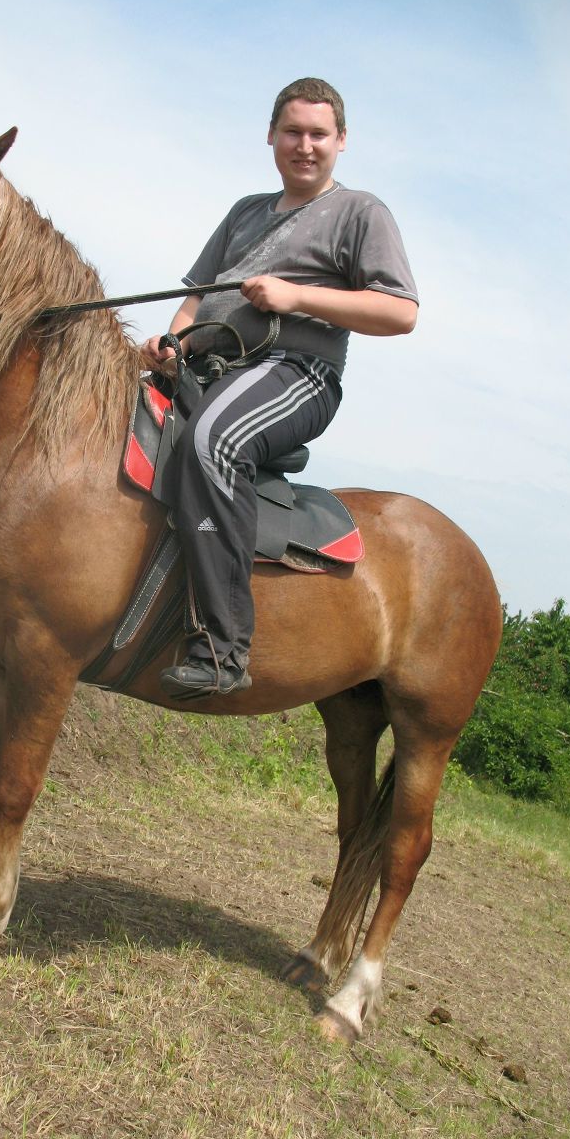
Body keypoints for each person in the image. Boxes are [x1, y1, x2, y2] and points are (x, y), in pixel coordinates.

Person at [141, 77, 419, 698]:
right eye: (293, 132)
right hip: (210, 368)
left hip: (296, 372)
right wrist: (172, 342)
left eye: (319, 134)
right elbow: (195, 301)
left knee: (213, 441)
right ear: (271, 136)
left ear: (341, 141)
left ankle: (222, 649)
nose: (305, 145)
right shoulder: (245, 211)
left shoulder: (360, 213)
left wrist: (295, 296)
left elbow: (401, 312)